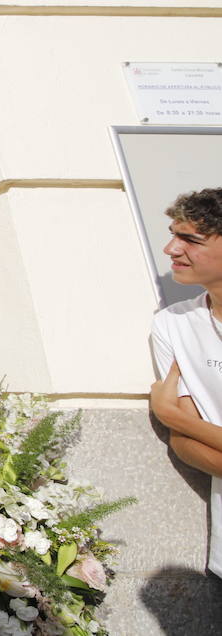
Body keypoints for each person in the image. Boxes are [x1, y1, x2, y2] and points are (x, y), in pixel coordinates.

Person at [148, 187, 222, 578]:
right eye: (174, 234)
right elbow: (183, 445)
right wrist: (182, 428)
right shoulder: (172, 324)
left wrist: (173, 416)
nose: (171, 249)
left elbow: (184, 426)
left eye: (191, 239)